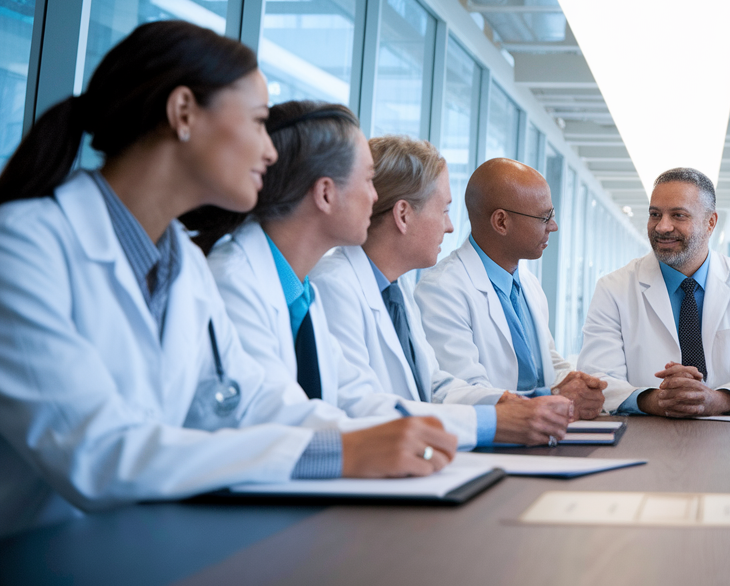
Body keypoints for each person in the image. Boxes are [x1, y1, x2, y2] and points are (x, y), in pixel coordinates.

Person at [0, 22, 454, 538]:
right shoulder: (22, 246)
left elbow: (256, 401)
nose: (269, 150)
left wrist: (395, 441)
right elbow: (98, 453)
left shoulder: (182, 264)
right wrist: (339, 451)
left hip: (139, 545)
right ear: (184, 112)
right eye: (258, 122)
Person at [192, 101, 547, 450]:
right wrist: (489, 423)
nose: (377, 197)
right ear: (326, 193)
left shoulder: (302, 292)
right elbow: (289, 417)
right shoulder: (243, 281)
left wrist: (500, 413)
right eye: (366, 180)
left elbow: (356, 400)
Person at [312, 136, 580, 444]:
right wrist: (492, 421)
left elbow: (435, 386)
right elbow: (359, 408)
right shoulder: (333, 286)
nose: (450, 226)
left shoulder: (394, 290)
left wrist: (517, 406)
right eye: (444, 210)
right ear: (403, 215)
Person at [577, 167, 730, 416]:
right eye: (655, 214)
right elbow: (597, 377)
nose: (662, 227)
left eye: (678, 215)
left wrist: (715, 400)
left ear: (710, 222)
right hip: (643, 434)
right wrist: (657, 400)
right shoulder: (613, 287)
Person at [416, 158, 605, 421]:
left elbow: (547, 365)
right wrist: (551, 395)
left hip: (543, 435)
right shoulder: (442, 291)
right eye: (544, 217)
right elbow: (464, 394)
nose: (554, 226)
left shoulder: (528, 284)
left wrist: (579, 385)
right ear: (501, 222)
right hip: (495, 446)